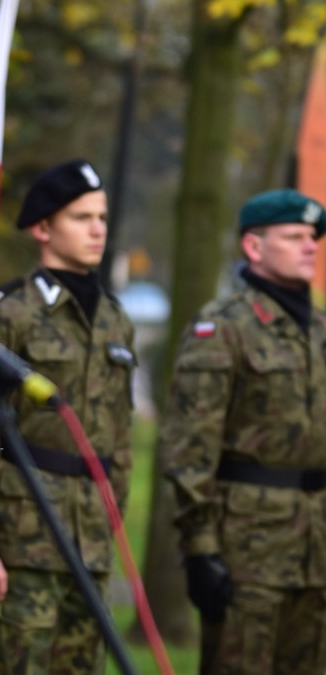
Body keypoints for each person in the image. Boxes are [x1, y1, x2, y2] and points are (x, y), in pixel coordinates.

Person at [0, 158, 136, 674]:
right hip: (22, 538)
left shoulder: (116, 318)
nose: (97, 228)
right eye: (80, 217)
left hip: (91, 540)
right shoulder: (7, 311)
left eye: (101, 216)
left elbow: (119, 435)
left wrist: (111, 517)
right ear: (43, 228)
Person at [163, 188, 326, 675]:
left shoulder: (319, 330)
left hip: (316, 550)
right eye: (294, 236)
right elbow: (190, 448)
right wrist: (201, 550)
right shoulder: (224, 328)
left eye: (314, 237)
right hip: (248, 549)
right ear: (254, 247)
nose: (311, 245)